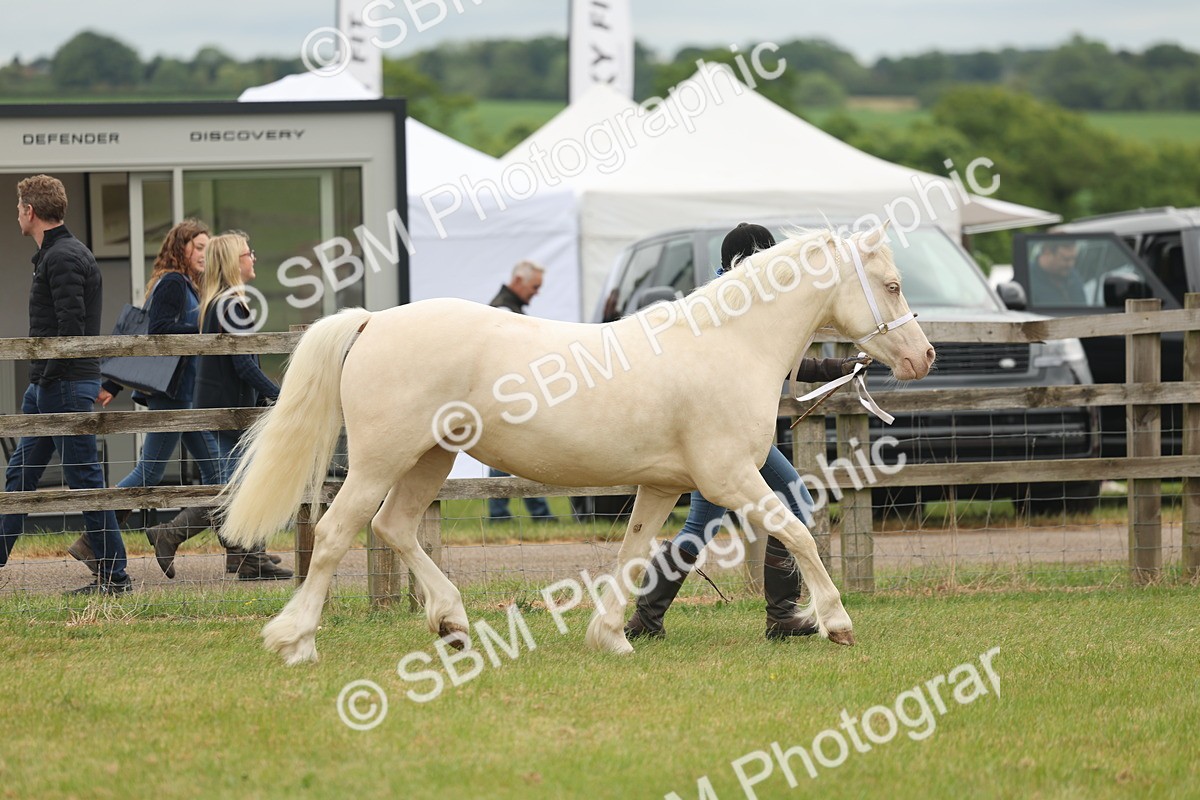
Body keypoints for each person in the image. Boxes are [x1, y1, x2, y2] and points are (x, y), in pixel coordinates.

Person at [624, 223, 862, 640]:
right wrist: (834, 368)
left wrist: (838, 368)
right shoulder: (736, 304)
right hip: (720, 434)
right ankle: (780, 616)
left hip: (718, 433)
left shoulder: (728, 297)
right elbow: (780, 361)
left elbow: (779, 360)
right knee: (792, 500)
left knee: (705, 525)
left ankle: (648, 618)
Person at [67, 219, 226, 577]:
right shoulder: (172, 281)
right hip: (172, 398)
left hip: (186, 397)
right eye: (198, 247)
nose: (204, 253)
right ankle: (97, 538)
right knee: (149, 473)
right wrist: (205, 328)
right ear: (181, 248)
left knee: (218, 475)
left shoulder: (188, 284)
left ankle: (222, 547)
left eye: (207, 247)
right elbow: (158, 331)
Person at [0, 175, 131, 594]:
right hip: (48, 386)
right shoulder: (57, 254)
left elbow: (70, 329)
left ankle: (115, 577)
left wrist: (48, 380)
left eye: (19, 207)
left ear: (30, 212)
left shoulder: (63, 257)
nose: (17, 213)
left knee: (85, 481)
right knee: (20, 476)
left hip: (65, 384)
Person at [187, 231, 292, 580]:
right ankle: (168, 535)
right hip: (226, 413)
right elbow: (244, 365)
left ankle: (250, 557)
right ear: (235, 262)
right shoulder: (231, 304)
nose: (254, 259)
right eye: (249, 253)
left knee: (240, 484)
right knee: (236, 490)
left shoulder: (216, 302)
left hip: (220, 409)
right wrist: (280, 394)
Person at [487, 260, 556, 523]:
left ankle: (514, 515)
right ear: (518, 281)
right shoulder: (505, 310)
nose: (536, 292)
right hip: (508, 393)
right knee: (510, 456)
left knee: (509, 455)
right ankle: (524, 516)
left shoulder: (505, 307)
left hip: (506, 391)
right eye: (535, 286)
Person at [1029, 240, 1085, 305]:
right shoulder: (1027, 278)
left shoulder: (1073, 276)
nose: (1071, 264)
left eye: (1073, 258)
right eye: (1066, 259)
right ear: (1047, 252)